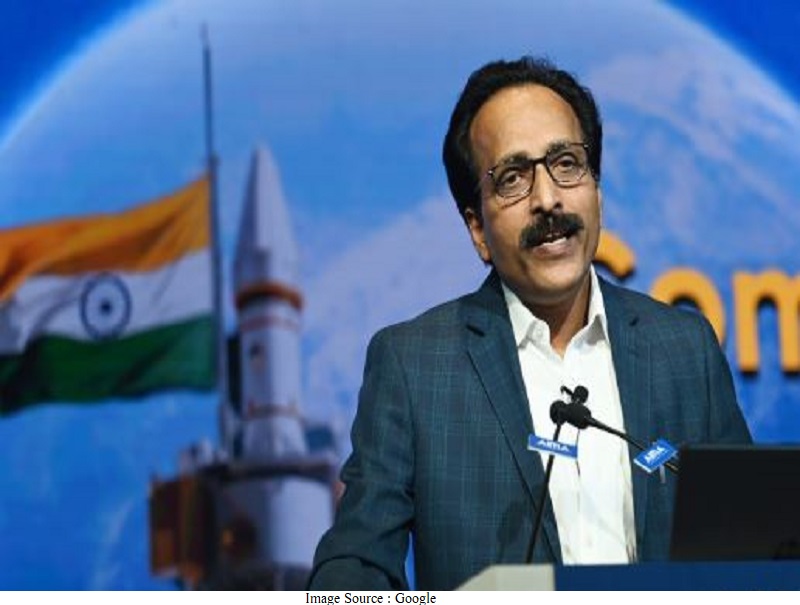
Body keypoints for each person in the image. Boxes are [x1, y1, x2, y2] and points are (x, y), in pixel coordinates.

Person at [308, 56, 751, 591]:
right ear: (477, 229)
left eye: (566, 163)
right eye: (513, 178)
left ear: (597, 193)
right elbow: (353, 568)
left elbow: (750, 550)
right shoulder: (415, 366)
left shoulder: (684, 350)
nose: (547, 199)